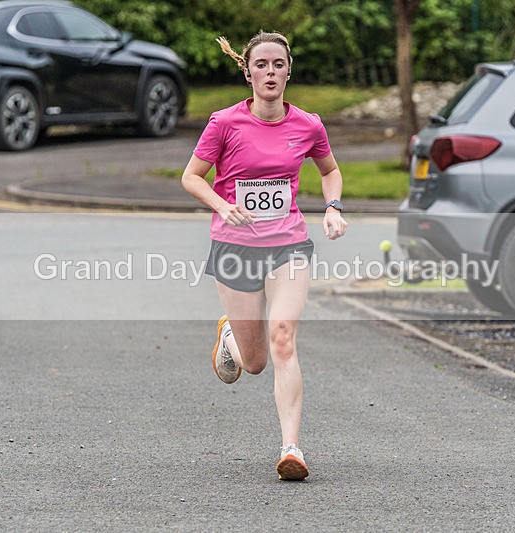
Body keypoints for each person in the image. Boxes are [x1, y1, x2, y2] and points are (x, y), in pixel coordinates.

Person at [181, 31, 347, 481]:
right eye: (261, 65)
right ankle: (231, 337)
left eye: (278, 65)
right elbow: (192, 177)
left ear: (289, 72)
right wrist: (222, 205)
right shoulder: (224, 123)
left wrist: (332, 207)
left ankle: (291, 448)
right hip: (234, 247)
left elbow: (330, 171)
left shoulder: (308, 125)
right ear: (248, 72)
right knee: (254, 363)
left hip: (288, 244)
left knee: (283, 338)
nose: (270, 72)